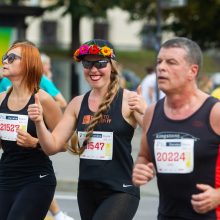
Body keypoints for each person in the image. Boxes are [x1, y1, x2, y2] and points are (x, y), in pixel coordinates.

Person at [28, 39, 147, 220]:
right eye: (87, 63)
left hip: (121, 189)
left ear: (112, 66)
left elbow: (155, 135)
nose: (93, 69)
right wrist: (38, 122)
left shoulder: (129, 100)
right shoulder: (77, 103)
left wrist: (144, 110)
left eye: (100, 63)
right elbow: (51, 146)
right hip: (87, 190)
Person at [132, 37, 220, 220]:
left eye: (171, 62)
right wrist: (140, 169)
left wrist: (218, 196)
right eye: (159, 62)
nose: (161, 68)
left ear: (192, 71)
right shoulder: (152, 112)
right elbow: (144, 156)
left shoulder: (214, 112)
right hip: (167, 215)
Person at [0, 41, 64, 219]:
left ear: (28, 63)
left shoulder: (43, 99)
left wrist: (34, 142)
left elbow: (64, 143)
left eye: (12, 58)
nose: (5, 60)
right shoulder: (0, 99)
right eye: (5, 57)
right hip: (6, 176)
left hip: (36, 178)